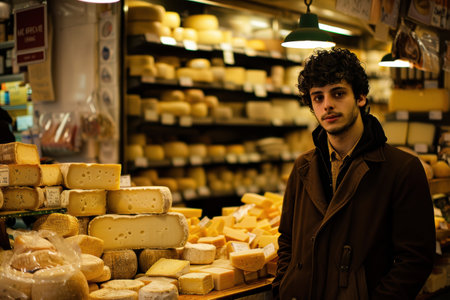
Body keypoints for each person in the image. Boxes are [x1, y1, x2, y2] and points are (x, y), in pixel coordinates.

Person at [272, 48, 435, 300]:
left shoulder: (401, 169)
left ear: (360, 97)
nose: (327, 105)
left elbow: (415, 260)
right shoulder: (303, 166)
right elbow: (287, 240)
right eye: (318, 97)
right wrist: (284, 286)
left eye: (338, 93)